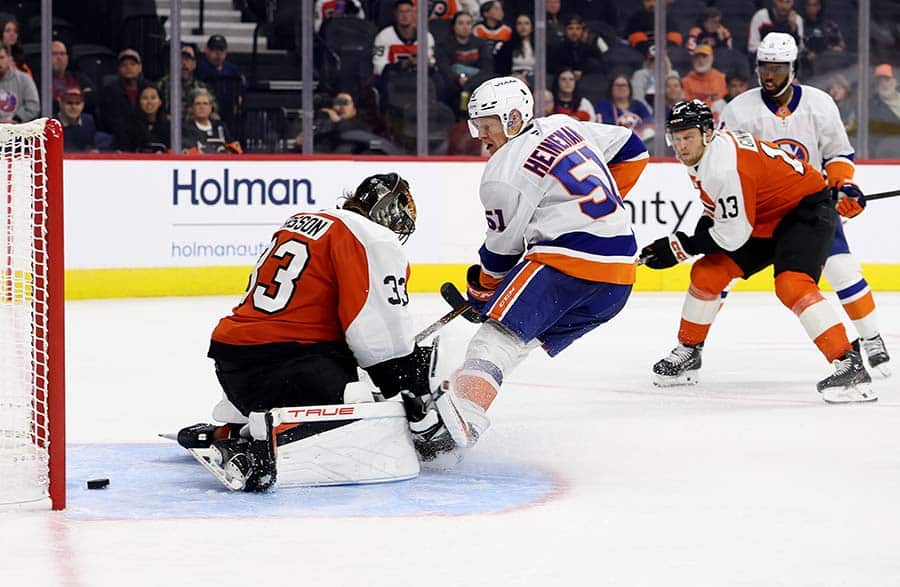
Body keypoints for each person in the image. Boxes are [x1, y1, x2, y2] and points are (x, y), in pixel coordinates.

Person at [418, 76, 650, 458]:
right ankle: (458, 399)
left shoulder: (502, 173)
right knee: (518, 340)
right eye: (477, 125)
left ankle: (462, 420)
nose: (481, 135)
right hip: (619, 278)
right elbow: (633, 149)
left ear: (512, 118)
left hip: (569, 263)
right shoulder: (565, 124)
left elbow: (501, 257)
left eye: (487, 124)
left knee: (498, 338)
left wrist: (481, 289)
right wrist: (603, 208)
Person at [178, 173, 434, 490]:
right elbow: (375, 337)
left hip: (233, 367)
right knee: (371, 404)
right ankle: (254, 441)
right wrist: (409, 390)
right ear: (388, 209)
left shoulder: (307, 221)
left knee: (352, 371)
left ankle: (229, 430)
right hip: (290, 367)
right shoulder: (372, 237)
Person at [641, 100, 875, 403]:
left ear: (708, 133)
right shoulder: (706, 155)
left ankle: (849, 363)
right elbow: (720, 214)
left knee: (792, 284)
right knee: (708, 273)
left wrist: (680, 247)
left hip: (804, 211)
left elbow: (732, 234)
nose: (681, 146)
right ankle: (689, 352)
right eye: (676, 137)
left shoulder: (722, 165)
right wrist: (690, 243)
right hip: (762, 216)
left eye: (688, 137)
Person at [719, 33, 890, 376]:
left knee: (842, 270)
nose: (770, 75)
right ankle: (689, 347)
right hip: (763, 211)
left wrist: (843, 185)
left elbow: (837, 154)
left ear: (793, 68)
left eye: (778, 68)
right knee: (716, 273)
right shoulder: (739, 110)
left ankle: (871, 338)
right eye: (765, 67)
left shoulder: (819, 103)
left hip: (812, 209)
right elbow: (724, 163)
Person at [436, 11, 493, 115]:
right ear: (454, 26)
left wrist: (469, 81)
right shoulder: (444, 44)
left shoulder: (481, 43)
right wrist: (458, 78)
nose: (465, 27)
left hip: (476, 83)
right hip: (454, 84)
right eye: (461, 23)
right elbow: (443, 66)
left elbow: (487, 68)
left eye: (468, 23)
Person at [98, 49, 150, 147]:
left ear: (140, 67)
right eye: (124, 65)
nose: (128, 68)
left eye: (132, 64)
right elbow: (107, 120)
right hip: (118, 142)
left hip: (146, 140)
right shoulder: (109, 91)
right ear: (119, 69)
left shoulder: (150, 89)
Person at [196, 35, 245, 136]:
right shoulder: (200, 69)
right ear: (206, 50)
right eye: (214, 50)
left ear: (226, 51)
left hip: (230, 114)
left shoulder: (233, 70)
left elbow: (241, 90)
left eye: (221, 50)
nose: (218, 54)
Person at [157, 44, 216, 121]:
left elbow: (214, 110)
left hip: (195, 129)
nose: (183, 64)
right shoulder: (162, 85)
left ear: (194, 64)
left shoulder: (203, 88)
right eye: (180, 59)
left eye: (187, 59)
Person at [595, 74, 654, 143]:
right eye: (617, 85)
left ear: (629, 88)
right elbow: (605, 126)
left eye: (624, 85)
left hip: (640, 142)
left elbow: (648, 122)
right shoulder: (604, 105)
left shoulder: (638, 105)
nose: (620, 88)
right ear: (611, 88)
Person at [182, 88, 241, 153]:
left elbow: (234, 149)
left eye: (205, 104)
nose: (202, 107)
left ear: (210, 108)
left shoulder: (220, 126)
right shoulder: (185, 128)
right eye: (198, 104)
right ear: (192, 108)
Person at [50, 41, 95, 115]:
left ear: (67, 58)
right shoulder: (42, 80)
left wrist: (63, 98)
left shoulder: (76, 76)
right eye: (54, 54)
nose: (59, 58)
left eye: (62, 54)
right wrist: (78, 95)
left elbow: (92, 96)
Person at [124, 85, 171, 152]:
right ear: (139, 102)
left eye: (153, 98)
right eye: (145, 98)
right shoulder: (129, 125)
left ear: (160, 102)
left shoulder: (169, 126)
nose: (149, 102)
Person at [0, 43, 38, 123]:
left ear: (9, 59)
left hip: (20, 130)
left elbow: (33, 106)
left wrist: (15, 120)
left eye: (1, 58)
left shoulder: (24, 79)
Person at [55, 87, 98, 152]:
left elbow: (92, 147)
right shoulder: (53, 124)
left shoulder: (88, 121)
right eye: (69, 103)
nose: (74, 107)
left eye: (77, 103)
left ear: (83, 105)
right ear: (61, 104)